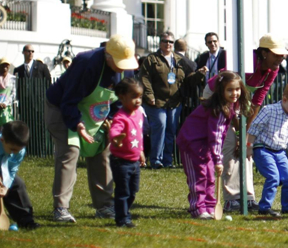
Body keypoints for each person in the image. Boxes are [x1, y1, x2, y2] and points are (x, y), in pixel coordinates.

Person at [46, 35, 138, 223]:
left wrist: (113, 119)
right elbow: (68, 99)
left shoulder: (126, 70)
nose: (122, 67)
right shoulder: (86, 63)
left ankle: (104, 206)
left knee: (102, 153)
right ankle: (61, 208)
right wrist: (78, 125)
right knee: (70, 152)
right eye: (119, 62)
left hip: (97, 113)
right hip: (65, 109)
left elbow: (120, 100)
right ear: (108, 56)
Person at [222, 35, 288, 212]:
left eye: (282, 55)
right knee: (230, 144)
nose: (281, 58)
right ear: (264, 53)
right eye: (277, 54)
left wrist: (246, 132)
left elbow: (258, 99)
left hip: (239, 101)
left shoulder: (272, 68)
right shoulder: (248, 63)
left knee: (246, 149)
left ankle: (248, 197)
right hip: (220, 98)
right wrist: (237, 131)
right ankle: (232, 199)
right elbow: (229, 96)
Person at [176, 71, 251, 219]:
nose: (234, 93)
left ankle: (210, 207)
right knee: (199, 176)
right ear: (220, 90)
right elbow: (215, 136)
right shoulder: (217, 110)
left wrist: (214, 158)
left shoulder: (228, 106)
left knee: (210, 176)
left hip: (205, 144)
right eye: (230, 90)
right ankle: (198, 208)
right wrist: (218, 159)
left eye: (237, 89)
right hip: (192, 143)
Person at [139, 31, 201, 168]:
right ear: (160, 43)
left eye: (171, 42)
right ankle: (156, 160)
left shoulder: (179, 60)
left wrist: (200, 75)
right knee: (160, 127)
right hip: (156, 102)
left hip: (174, 102)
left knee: (171, 131)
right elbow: (144, 78)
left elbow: (188, 80)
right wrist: (149, 96)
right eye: (165, 41)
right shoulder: (151, 59)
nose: (168, 44)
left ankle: (167, 161)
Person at [246, 80, 288, 216]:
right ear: (285, 99)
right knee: (274, 177)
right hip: (263, 149)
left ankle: (287, 206)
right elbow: (253, 129)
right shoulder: (269, 110)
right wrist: (249, 147)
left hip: (280, 153)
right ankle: (265, 207)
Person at [108, 78, 147, 228]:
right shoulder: (120, 116)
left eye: (140, 97)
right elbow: (114, 130)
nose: (138, 101)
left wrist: (141, 151)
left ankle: (123, 213)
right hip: (121, 161)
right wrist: (115, 138)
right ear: (122, 97)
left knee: (132, 191)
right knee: (123, 191)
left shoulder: (138, 114)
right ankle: (122, 219)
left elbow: (138, 136)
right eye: (134, 97)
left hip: (135, 161)